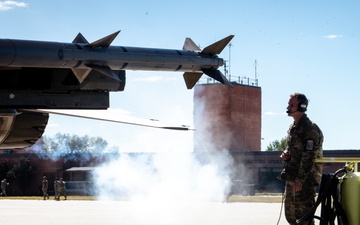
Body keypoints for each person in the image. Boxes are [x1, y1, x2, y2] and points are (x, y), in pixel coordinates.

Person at [278, 93, 323, 225]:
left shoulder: (310, 129)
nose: (288, 107)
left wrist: (300, 180)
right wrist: (286, 154)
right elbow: (292, 149)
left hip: (304, 181)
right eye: (288, 104)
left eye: (292, 105)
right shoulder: (293, 128)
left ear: (302, 107)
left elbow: (309, 156)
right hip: (292, 177)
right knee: (291, 216)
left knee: (303, 218)